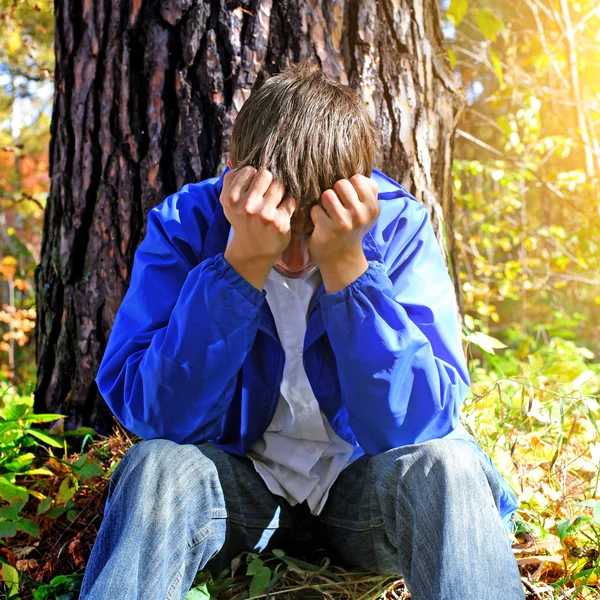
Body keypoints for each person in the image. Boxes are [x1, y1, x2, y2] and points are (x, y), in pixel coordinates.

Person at [79, 62, 524, 600]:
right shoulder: (185, 226)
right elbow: (159, 418)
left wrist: (348, 269)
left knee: (450, 464)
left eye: (309, 229)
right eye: (280, 223)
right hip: (237, 490)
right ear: (234, 175)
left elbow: (419, 425)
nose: (291, 256)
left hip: (362, 492)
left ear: (353, 192)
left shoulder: (397, 226)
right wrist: (240, 264)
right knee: (155, 467)